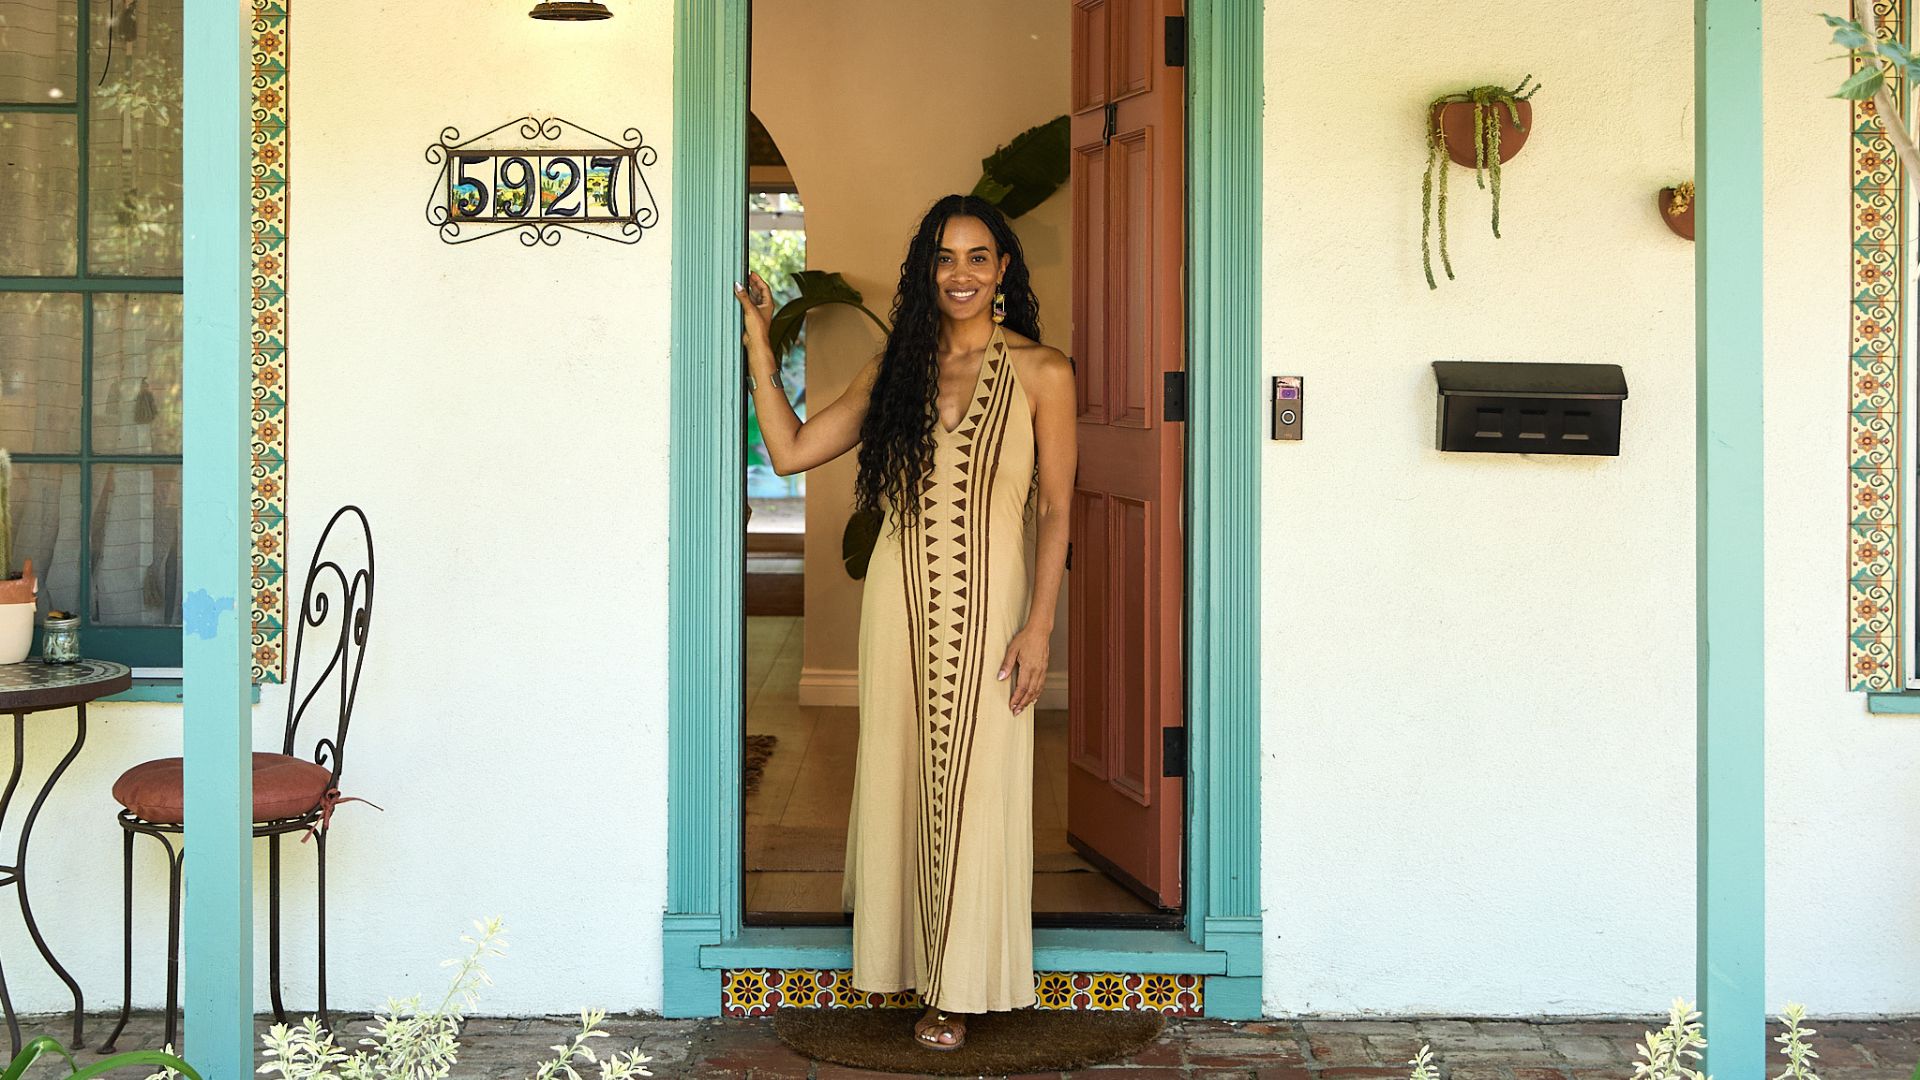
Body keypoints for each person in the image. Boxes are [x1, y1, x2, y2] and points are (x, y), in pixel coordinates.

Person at [734, 194, 1075, 1052]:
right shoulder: (897, 368)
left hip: (997, 615)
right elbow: (792, 451)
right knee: (900, 774)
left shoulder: (1044, 373)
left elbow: (1060, 512)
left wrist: (1039, 629)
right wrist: (759, 351)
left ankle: (960, 987)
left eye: (977, 257)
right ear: (927, 272)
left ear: (1003, 272)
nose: (960, 273)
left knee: (979, 785)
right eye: (944, 258)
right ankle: (903, 968)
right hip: (899, 606)